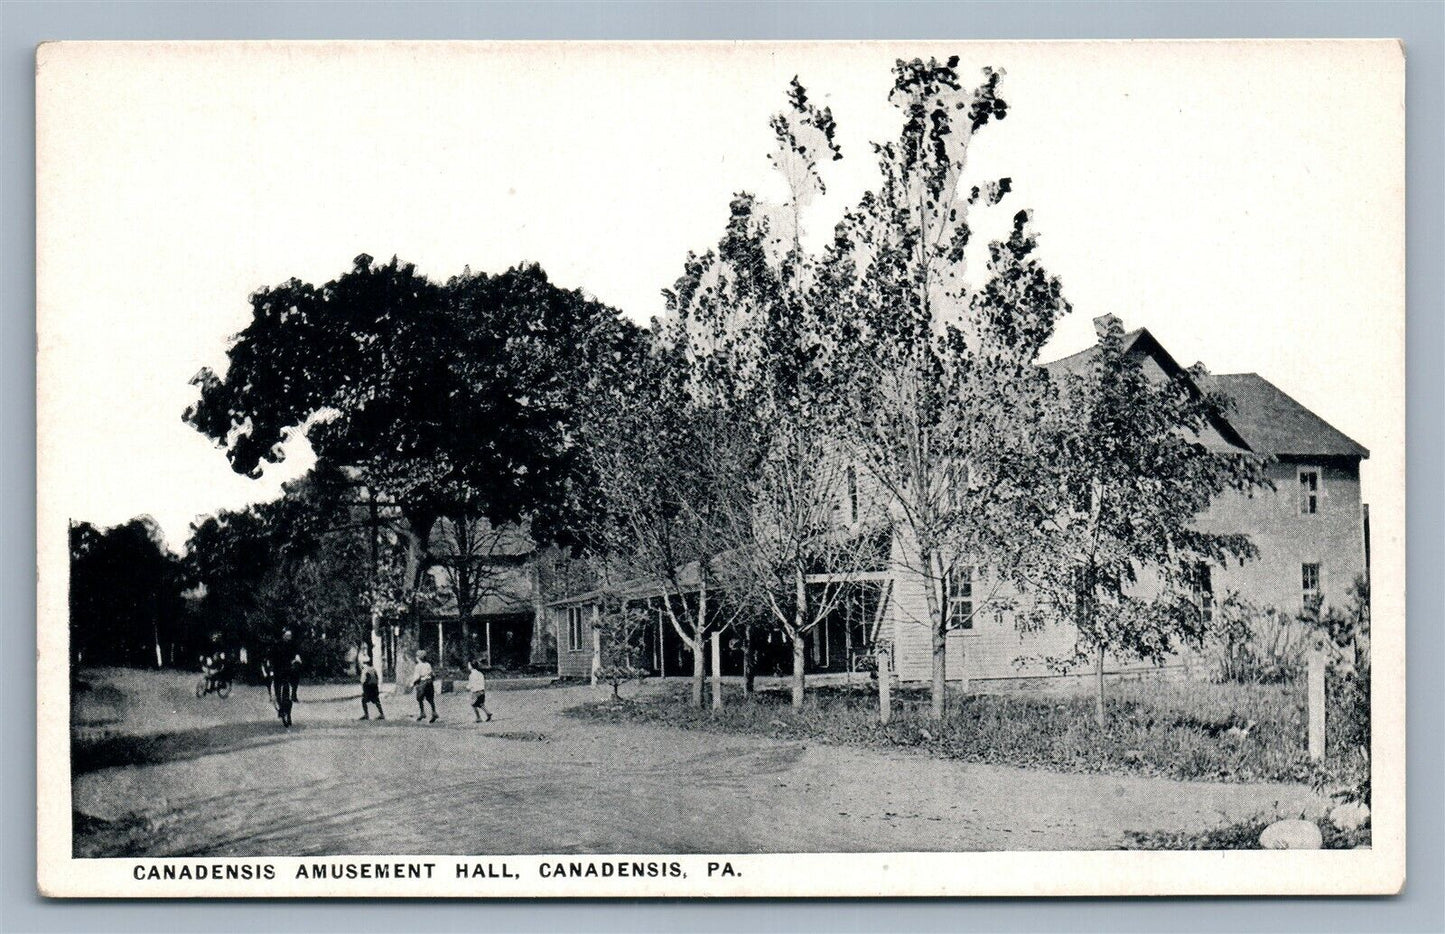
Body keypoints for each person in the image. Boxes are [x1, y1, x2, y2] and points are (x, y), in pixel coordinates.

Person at [266, 639, 294, 728]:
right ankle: (284, 711)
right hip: (279, 674)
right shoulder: (276, 650)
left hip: (283, 674)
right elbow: (270, 662)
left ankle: (287, 713)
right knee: (280, 694)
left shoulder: (287, 649)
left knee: (284, 694)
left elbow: (292, 661)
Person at [410, 650, 438, 722]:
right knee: (430, 698)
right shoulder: (428, 664)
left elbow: (417, 677)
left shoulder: (418, 666)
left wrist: (412, 683)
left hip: (422, 683)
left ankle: (422, 712)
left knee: (419, 698)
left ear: (418, 658)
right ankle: (434, 712)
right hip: (429, 682)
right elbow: (432, 674)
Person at [358, 654, 385, 721]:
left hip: (368, 687)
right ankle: (381, 714)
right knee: (376, 700)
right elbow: (377, 678)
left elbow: (363, 680)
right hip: (374, 687)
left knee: (364, 700)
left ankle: (366, 715)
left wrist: (364, 688)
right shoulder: (373, 669)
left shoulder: (365, 670)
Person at [467, 658, 493, 723]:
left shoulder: (472, 675)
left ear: (471, 666)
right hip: (482, 691)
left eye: (469, 665)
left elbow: (471, 684)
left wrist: (468, 687)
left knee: (473, 704)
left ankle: (478, 718)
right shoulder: (480, 673)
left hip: (476, 692)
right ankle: (488, 713)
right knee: (480, 704)